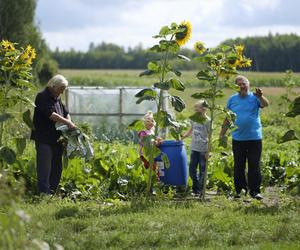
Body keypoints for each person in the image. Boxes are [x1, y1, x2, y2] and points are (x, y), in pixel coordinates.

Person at [219, 75, 269, 200]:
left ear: (248, 85)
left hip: (254, 138)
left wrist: (260, 96)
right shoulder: (232, 99)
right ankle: (240, 190)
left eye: (243, 83)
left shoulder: (255, 97)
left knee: (254, 164)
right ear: (236, 87)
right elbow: (227, 118)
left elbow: (266, 104)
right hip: (238, 138)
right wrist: (222, 134)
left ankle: (255, 191)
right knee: (238, 165)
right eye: (238, 84)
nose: (241, 86)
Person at [31, 74, 75, 194]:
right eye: (60, 90)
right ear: (53, 86)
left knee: (57, 167)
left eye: (63, 91)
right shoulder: (42, 97)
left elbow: (66, 112)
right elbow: (51, 115)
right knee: (44, 168)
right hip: (44, 138)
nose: (61, 93)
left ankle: (52, 193)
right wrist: (68, 123)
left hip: (57, 139)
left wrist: (69, 121)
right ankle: (44, 194)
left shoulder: (57, 98)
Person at [181, 100, 210, 196]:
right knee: (192, 170)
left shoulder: (208, 121)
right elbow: (190, 131)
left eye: (197, 107)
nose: (195, 109)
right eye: (195, 107)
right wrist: (181, 137)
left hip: (203, 150)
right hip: (194, 148)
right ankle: (196, 187)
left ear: (204, 109)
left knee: (202, 170)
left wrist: (208, 151)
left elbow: (210, 136)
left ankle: (200, 190)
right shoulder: (194, 119)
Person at [138, 111, 162, 182]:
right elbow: (145, 141)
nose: (150, 122)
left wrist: (158, 140)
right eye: (148, 121)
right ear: (144, 123)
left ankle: (155, 181)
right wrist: (153, 142)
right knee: (148, 167)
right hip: (145, 153)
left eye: (151, 121)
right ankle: (147, 181)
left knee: (154, 167)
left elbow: (155, 138)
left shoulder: (152, 131)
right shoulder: (143, 132)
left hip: (152, 153)